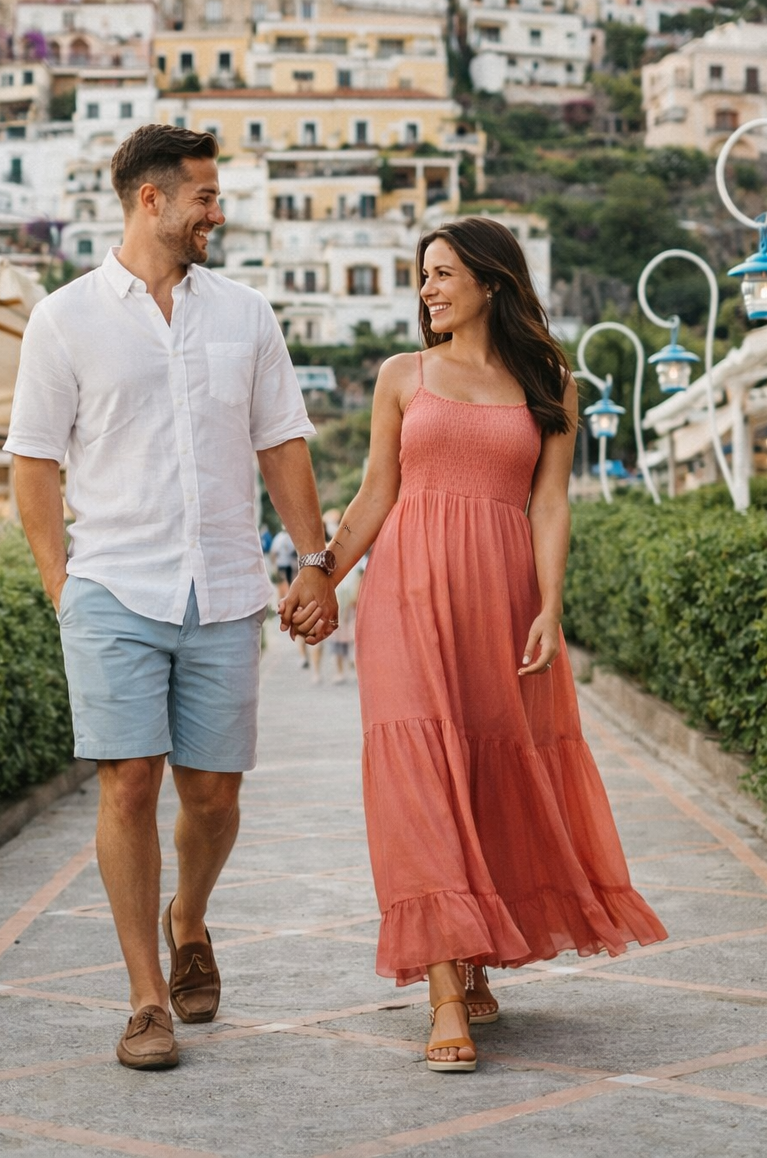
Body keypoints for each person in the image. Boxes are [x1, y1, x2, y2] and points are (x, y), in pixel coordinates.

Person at [282, 217, 666, 1072]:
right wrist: (322, 574)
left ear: (491, 281)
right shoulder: (401, 376)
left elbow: (551, 504)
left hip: (504, 596)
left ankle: (475, 944)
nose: (428, 288)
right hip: (410, 594)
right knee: (422, 772)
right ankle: (445, 993)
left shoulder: (549, 382)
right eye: (423, 276)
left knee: (494, 769)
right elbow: (377, 490)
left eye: (444, 273)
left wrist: (551, 606)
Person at [5, 124, 338, 1072]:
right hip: (112, 583)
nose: (217, 212)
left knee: (215, 795)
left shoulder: (246, 314)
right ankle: (146, 996)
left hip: (227, 585)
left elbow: (283, 444)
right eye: (204, 195)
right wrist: (60, 585)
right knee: (129, 783)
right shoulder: (63, 319)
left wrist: (311, 560)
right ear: (150, 200)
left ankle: (188, 914)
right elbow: (34, 462)